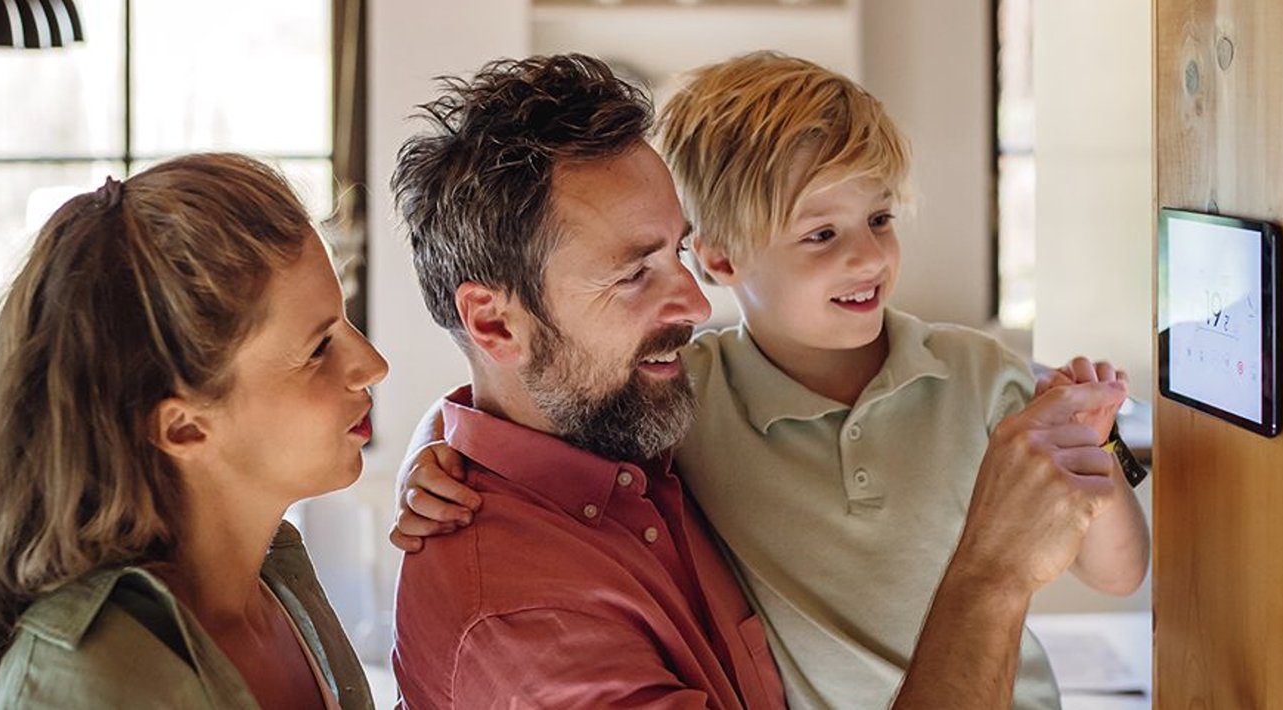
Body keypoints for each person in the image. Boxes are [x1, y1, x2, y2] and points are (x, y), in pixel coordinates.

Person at [387, 53, 1132, 709]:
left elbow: (1117, 566)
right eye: (633, 270)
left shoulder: (639, 416)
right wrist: (993, 573)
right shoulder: (689, 408)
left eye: (880, 218)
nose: (690, 303)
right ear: (728, 259)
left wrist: (442, 441)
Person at [0, 153, 388, 709]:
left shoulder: (277, 585)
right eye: (319, 348)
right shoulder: (84, 683)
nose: (373, 364)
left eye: (346, 321)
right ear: (183, 428)